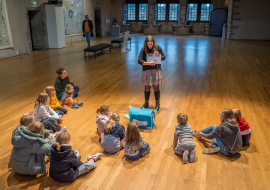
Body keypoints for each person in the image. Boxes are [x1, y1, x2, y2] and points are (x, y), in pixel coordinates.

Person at [138, 35, 166, 111]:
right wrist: (149, 63)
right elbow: (139, 61)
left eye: (151, 44)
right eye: (148, 44)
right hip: (146, 71)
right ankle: (146, 102)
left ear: (153, 42)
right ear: (146, 44)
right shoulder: (143, 50)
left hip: (156, 70)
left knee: (156, 87)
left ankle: (157, 104)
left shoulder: (158, 47)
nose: (150, 45)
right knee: (147, 87)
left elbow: (164, 57)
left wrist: (159, 56)